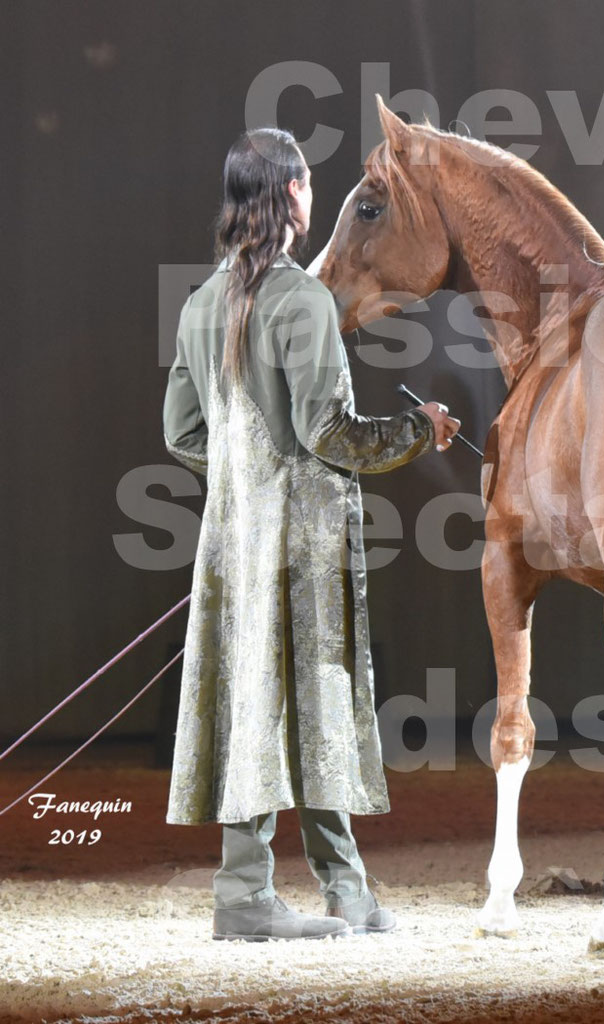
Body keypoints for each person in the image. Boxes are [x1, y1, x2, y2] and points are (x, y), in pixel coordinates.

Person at [162, 126, 460, 941]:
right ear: (294, 194)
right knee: (313, 699)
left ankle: (337, 890)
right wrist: (413, 429)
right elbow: (332, 434)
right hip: (305, 545)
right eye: (309, 185)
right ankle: (259, 894)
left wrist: (242, 489)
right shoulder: (304, 303)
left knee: (256, 696)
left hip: (235, 544)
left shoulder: (196, 306)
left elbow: (183, 436)